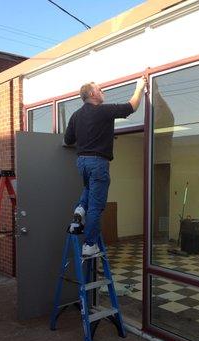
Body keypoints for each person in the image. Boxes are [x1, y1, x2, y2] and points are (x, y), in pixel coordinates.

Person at [64, 77, 147, 256]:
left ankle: (79, 209)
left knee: (88, 188)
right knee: (96, 205)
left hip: (82, 162)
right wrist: (139, 88)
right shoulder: (102, 111)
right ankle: (89, 245)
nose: (104, 93)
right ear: (93, 94)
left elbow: (68, 140)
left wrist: (85, 137)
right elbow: (131, 107)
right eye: (101, 90)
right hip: (98, 162)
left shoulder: (76, 115)